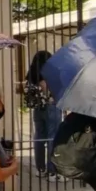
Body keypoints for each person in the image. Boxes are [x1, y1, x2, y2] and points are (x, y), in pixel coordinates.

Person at [24, 51, 62, 181]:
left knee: (39, 137)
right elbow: (50, 92)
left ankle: (40, 169)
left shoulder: (31, 75)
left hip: (37, 109)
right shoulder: (46, 75)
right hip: (51, 107)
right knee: (53, 137)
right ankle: (52, 171)